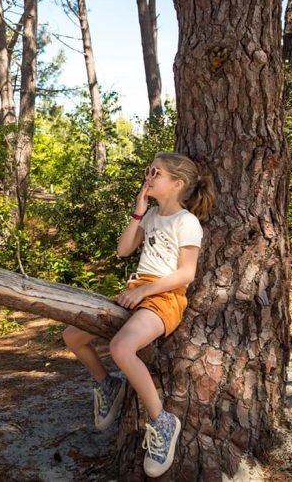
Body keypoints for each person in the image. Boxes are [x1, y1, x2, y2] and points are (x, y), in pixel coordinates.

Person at [61, 152, 215, 478]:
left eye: (155, 173)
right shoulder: (154, 215)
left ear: (177, 183)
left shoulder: (186, 222)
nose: (149, 177)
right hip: (136, 294)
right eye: (149, 171)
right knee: (73, 335)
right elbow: (123, 250)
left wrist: (145, 291)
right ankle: (109, 385)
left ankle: (162, 421)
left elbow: (186, 274)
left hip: (164, 299)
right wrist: (138, 212)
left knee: (121, 348)